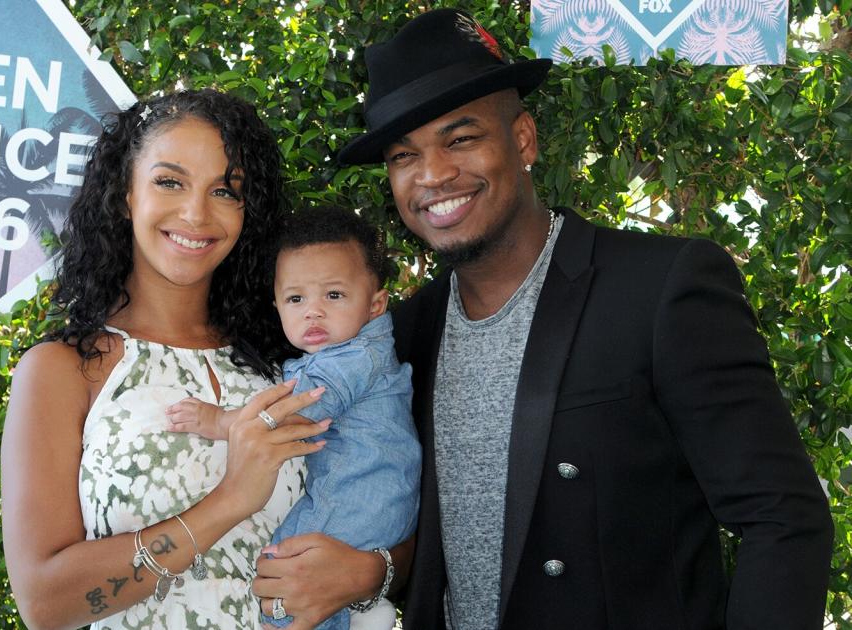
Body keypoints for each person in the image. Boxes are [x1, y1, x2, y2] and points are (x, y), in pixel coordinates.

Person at [329, 8, 834, 630]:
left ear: (522, 140)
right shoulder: (405, 335)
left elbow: (781, 517)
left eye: (460, 139)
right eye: (405, 155)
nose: (433, 175)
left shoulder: (660, 289)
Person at [1, 89, 383, 630]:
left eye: (226, 190)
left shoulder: (295, 357)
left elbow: (386, 478)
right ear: (127, 193)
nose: (196, 213)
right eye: (170, 181)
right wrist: (230, 499)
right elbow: (44, 602)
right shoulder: (65, 370)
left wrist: (372, 573)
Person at [167, 206, 421, 630]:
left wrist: (217, 421)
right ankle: (363, 615)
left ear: (376, 304)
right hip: (371, 501)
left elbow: (290, 417)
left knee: (283, 567)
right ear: (277, 306)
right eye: (296, 298)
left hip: (356, 499)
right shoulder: (347, 350)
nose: (313, 312)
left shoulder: (356, 358)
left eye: (333, 295)